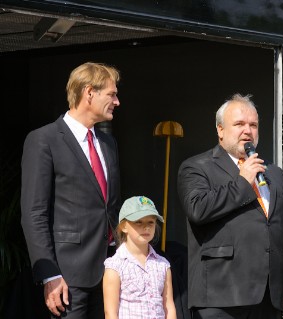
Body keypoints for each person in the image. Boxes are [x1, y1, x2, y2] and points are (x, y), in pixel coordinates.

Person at [177, 93, 283, 319]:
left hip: (269, 297)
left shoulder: (273, 173)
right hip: (221, 295)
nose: (247, 130)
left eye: (253, 125)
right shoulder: (197, 167)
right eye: (239, 124)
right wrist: (242, 181)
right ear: (220, 130)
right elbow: (198, 210)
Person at [21, 62, 122, 319]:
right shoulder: (44, 139)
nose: (117, 101)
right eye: (111, 94)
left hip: (110, 272)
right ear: (89, 93)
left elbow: (110, 206)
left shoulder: (108, 143)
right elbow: (34, 213)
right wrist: (49, 274)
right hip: (67, 277)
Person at [103, 196, 177, 319]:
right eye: (138, 222)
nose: (146, 227)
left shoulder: (163, 265)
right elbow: (110, 313)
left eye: (151, 222)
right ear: (123, 227)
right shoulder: (115, 266)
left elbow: (168, 306)